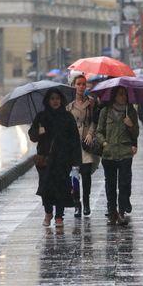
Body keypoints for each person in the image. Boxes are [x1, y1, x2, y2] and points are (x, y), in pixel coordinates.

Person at [28, 88, 82, 228]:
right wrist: (38, 132)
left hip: (63, 159)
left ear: (61, 100)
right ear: (48, 100)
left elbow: (75, 140)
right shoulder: (41, 117)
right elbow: (32, 137)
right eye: (52, 98)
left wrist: (76, 162)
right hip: (45, 160)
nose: (55, 101)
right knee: (45, 188)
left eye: (57, 98)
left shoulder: (67, 117)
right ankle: (48, 212)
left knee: (61, 188)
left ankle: (59, 216)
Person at [96, 87, 139, 226]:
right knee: (110, 185)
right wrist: (104, 143)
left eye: (125, 94)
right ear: (114, 96)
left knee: (124, 184)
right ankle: (112, 212)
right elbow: (99, 132)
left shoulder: (130, 111)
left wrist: (131, 125)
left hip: (125, 153)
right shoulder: (105, 111)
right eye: (120, 94)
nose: (123, 97)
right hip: (109, 155)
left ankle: (121, 213)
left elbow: (136, 134)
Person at [67, 71, 99, 217]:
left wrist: (91, 134)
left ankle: (86, 203)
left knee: (86, 175)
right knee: (74, 176)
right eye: (78, 84)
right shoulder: (68, 104)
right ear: (73, 85)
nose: (81, 87)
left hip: (86, 143)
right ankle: (76, 204)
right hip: (72, 145)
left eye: (83, 84)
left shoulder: (91, 102)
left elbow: (94, 120)